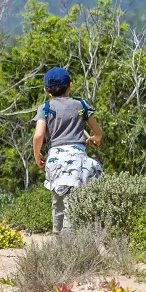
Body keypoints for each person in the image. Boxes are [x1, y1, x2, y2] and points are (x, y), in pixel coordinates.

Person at [32, 67, 104, 236]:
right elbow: (98, 132)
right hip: (78, 160)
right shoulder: (81, 105)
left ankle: (59, 239)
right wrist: (96, 139)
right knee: (75, 200)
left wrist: (37, 155)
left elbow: (38, 135)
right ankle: (75, 238)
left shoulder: (45, 108)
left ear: (46, 90)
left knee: (58, 201)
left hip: (55, 160)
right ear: (70, 86)